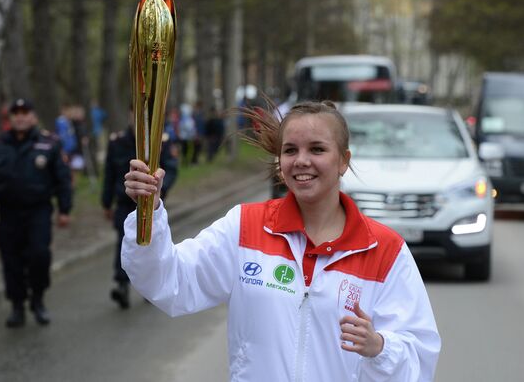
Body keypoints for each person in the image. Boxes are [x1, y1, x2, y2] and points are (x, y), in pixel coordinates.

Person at [121, 99, 440, 381]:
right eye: (290, 150)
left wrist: (379, 347)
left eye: (317, 149)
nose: (301, 160)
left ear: (343, 160)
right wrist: (150, 212)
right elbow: (170, 281)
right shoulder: (245, 226)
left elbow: (419, 357)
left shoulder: (384, 249)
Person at [0, 98, 72, 328]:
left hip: (38, 211)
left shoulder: (49, 143)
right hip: (8, 212)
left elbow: (62, 179)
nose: (20, 117)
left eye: (25, 112)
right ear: (10, 118)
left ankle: (37, 299)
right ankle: (17, 305)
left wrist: (64, 209)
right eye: (15, 113)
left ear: (33, 117)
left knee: (39, 255)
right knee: (11, 260)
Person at [102, 115, 179, 309]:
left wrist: (160, 191)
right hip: (124, 202)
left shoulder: (161, 140)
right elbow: (109, 174)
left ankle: (150, 287)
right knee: (124, 241)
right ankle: (122, 284)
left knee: (152, 240)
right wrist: (106, 202)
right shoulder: (117, 142)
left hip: (152, 203)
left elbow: (171, 167)